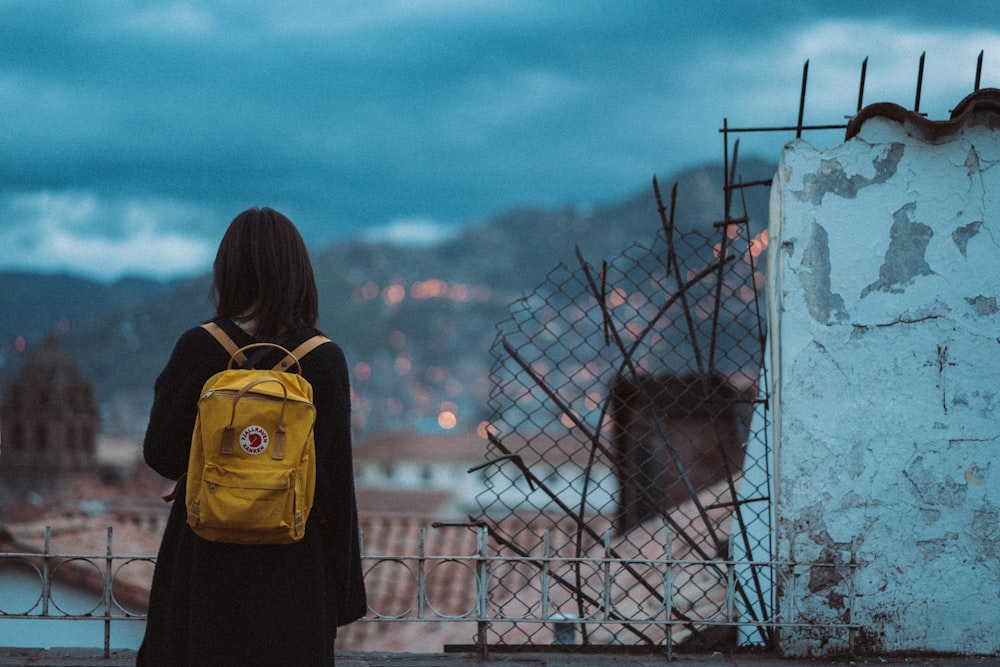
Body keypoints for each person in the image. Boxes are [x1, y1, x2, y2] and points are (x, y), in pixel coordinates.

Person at [137, 207, 367, 665]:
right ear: (300, 273)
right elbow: (336, 486)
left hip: (202, 567)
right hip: (293, 574)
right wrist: (340, 597)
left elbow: (160, 454)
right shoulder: (322, 359)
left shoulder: (198, 347)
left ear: (227, 270)